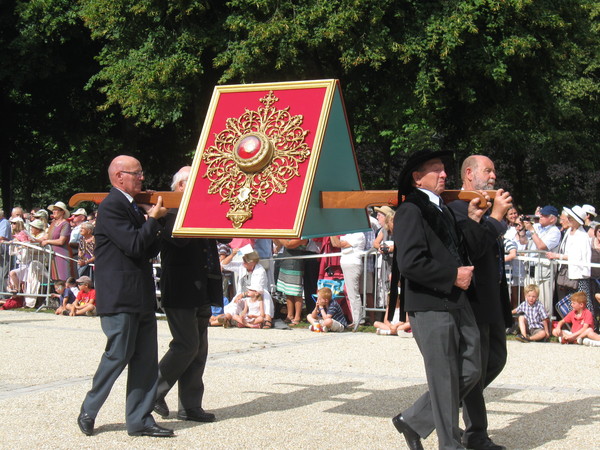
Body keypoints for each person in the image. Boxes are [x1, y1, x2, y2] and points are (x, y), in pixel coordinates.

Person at [391, 149, 487, 450]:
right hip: (431, 304)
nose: (444, 174)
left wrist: (472, 220)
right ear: (417, 178)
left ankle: (414, 420)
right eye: (436, 170)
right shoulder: (411, 210)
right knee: (443, 378)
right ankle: (449, 445)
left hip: (455, 301)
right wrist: (451, 276)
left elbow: (461, 251)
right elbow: (409, 263)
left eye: (444, 169)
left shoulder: (441, 208)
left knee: (472, 369)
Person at [77, 155, 172, 438]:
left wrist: (156, 222)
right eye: (137, 173)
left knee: (145, 359)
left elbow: (147, 248)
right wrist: (152, 220)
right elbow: (133, 244)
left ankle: (140, 419)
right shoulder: (112, 206)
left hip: (139, 293)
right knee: (118, 355)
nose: (142, 178)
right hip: (120, 296)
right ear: (119, 176)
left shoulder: (129, 206)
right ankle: (89, 409)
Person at [448, 155, 513, 450]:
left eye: (494, 170)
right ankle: (475, 433)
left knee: (496, 361)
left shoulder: (485, 210)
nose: (493, 176)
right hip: (472, 301)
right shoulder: (456, 211)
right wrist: (497, 219)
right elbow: (471, 250)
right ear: (469, 173)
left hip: (492, 301)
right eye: (488, 170)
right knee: (474, 368)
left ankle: (449, 403)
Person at [153, 166, 222, 424]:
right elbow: (180, 238)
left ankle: (190, 406)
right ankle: (152, 392)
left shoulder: (199, 211)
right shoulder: (170, 213)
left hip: (201, 287)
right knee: (186, 345)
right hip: (181, 289)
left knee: (199, 349)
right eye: (192, 184)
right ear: (180, 186)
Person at [546, 206, 592, 311]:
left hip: (579, 276)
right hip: (567, 274)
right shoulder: (568, 232)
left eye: (571, 218)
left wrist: (557, 256)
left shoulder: (582, 236)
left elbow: (576, 256)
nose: (569, 219)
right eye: (569, 217)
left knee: (581, 305)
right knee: (567, 305)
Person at [520, 205, 561, 314]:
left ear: (552, 218)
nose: (541, 216)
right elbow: (523, 241)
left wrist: (532, 230)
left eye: (545, 215)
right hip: (531, 269)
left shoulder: (554, 231)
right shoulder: (537, 227)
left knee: (543, 301)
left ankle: (544, 326)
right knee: (530, 297)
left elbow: (541, 246)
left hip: (544, 271)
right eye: (541, 214)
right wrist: (522, 229)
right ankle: (530, 324)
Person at [330, 232, 366, 327]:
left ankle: (358, 320)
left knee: (353, 293)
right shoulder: (346, 235)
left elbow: (338, 244)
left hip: (353, 264)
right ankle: (356, 319)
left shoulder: (359, 234)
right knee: (350, 293)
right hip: (346, 264)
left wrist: (331, 231)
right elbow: (334, 243)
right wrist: (330, 232)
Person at [42, 201, 73, 281]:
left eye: (56, 210)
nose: (54, 211)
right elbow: (46, 237)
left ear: (62, 212)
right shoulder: (53, 223)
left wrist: (48, 242)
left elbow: (61, 241)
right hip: (53, 255)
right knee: (55, 279)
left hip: (62, 254)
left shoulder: (65, 224)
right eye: (53, 210)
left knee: (63, 278)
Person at [0, 209, 12, 294]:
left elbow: (2, 237)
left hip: (4, 252)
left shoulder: (4, 222)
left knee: (3, 274)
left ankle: (4, 294)